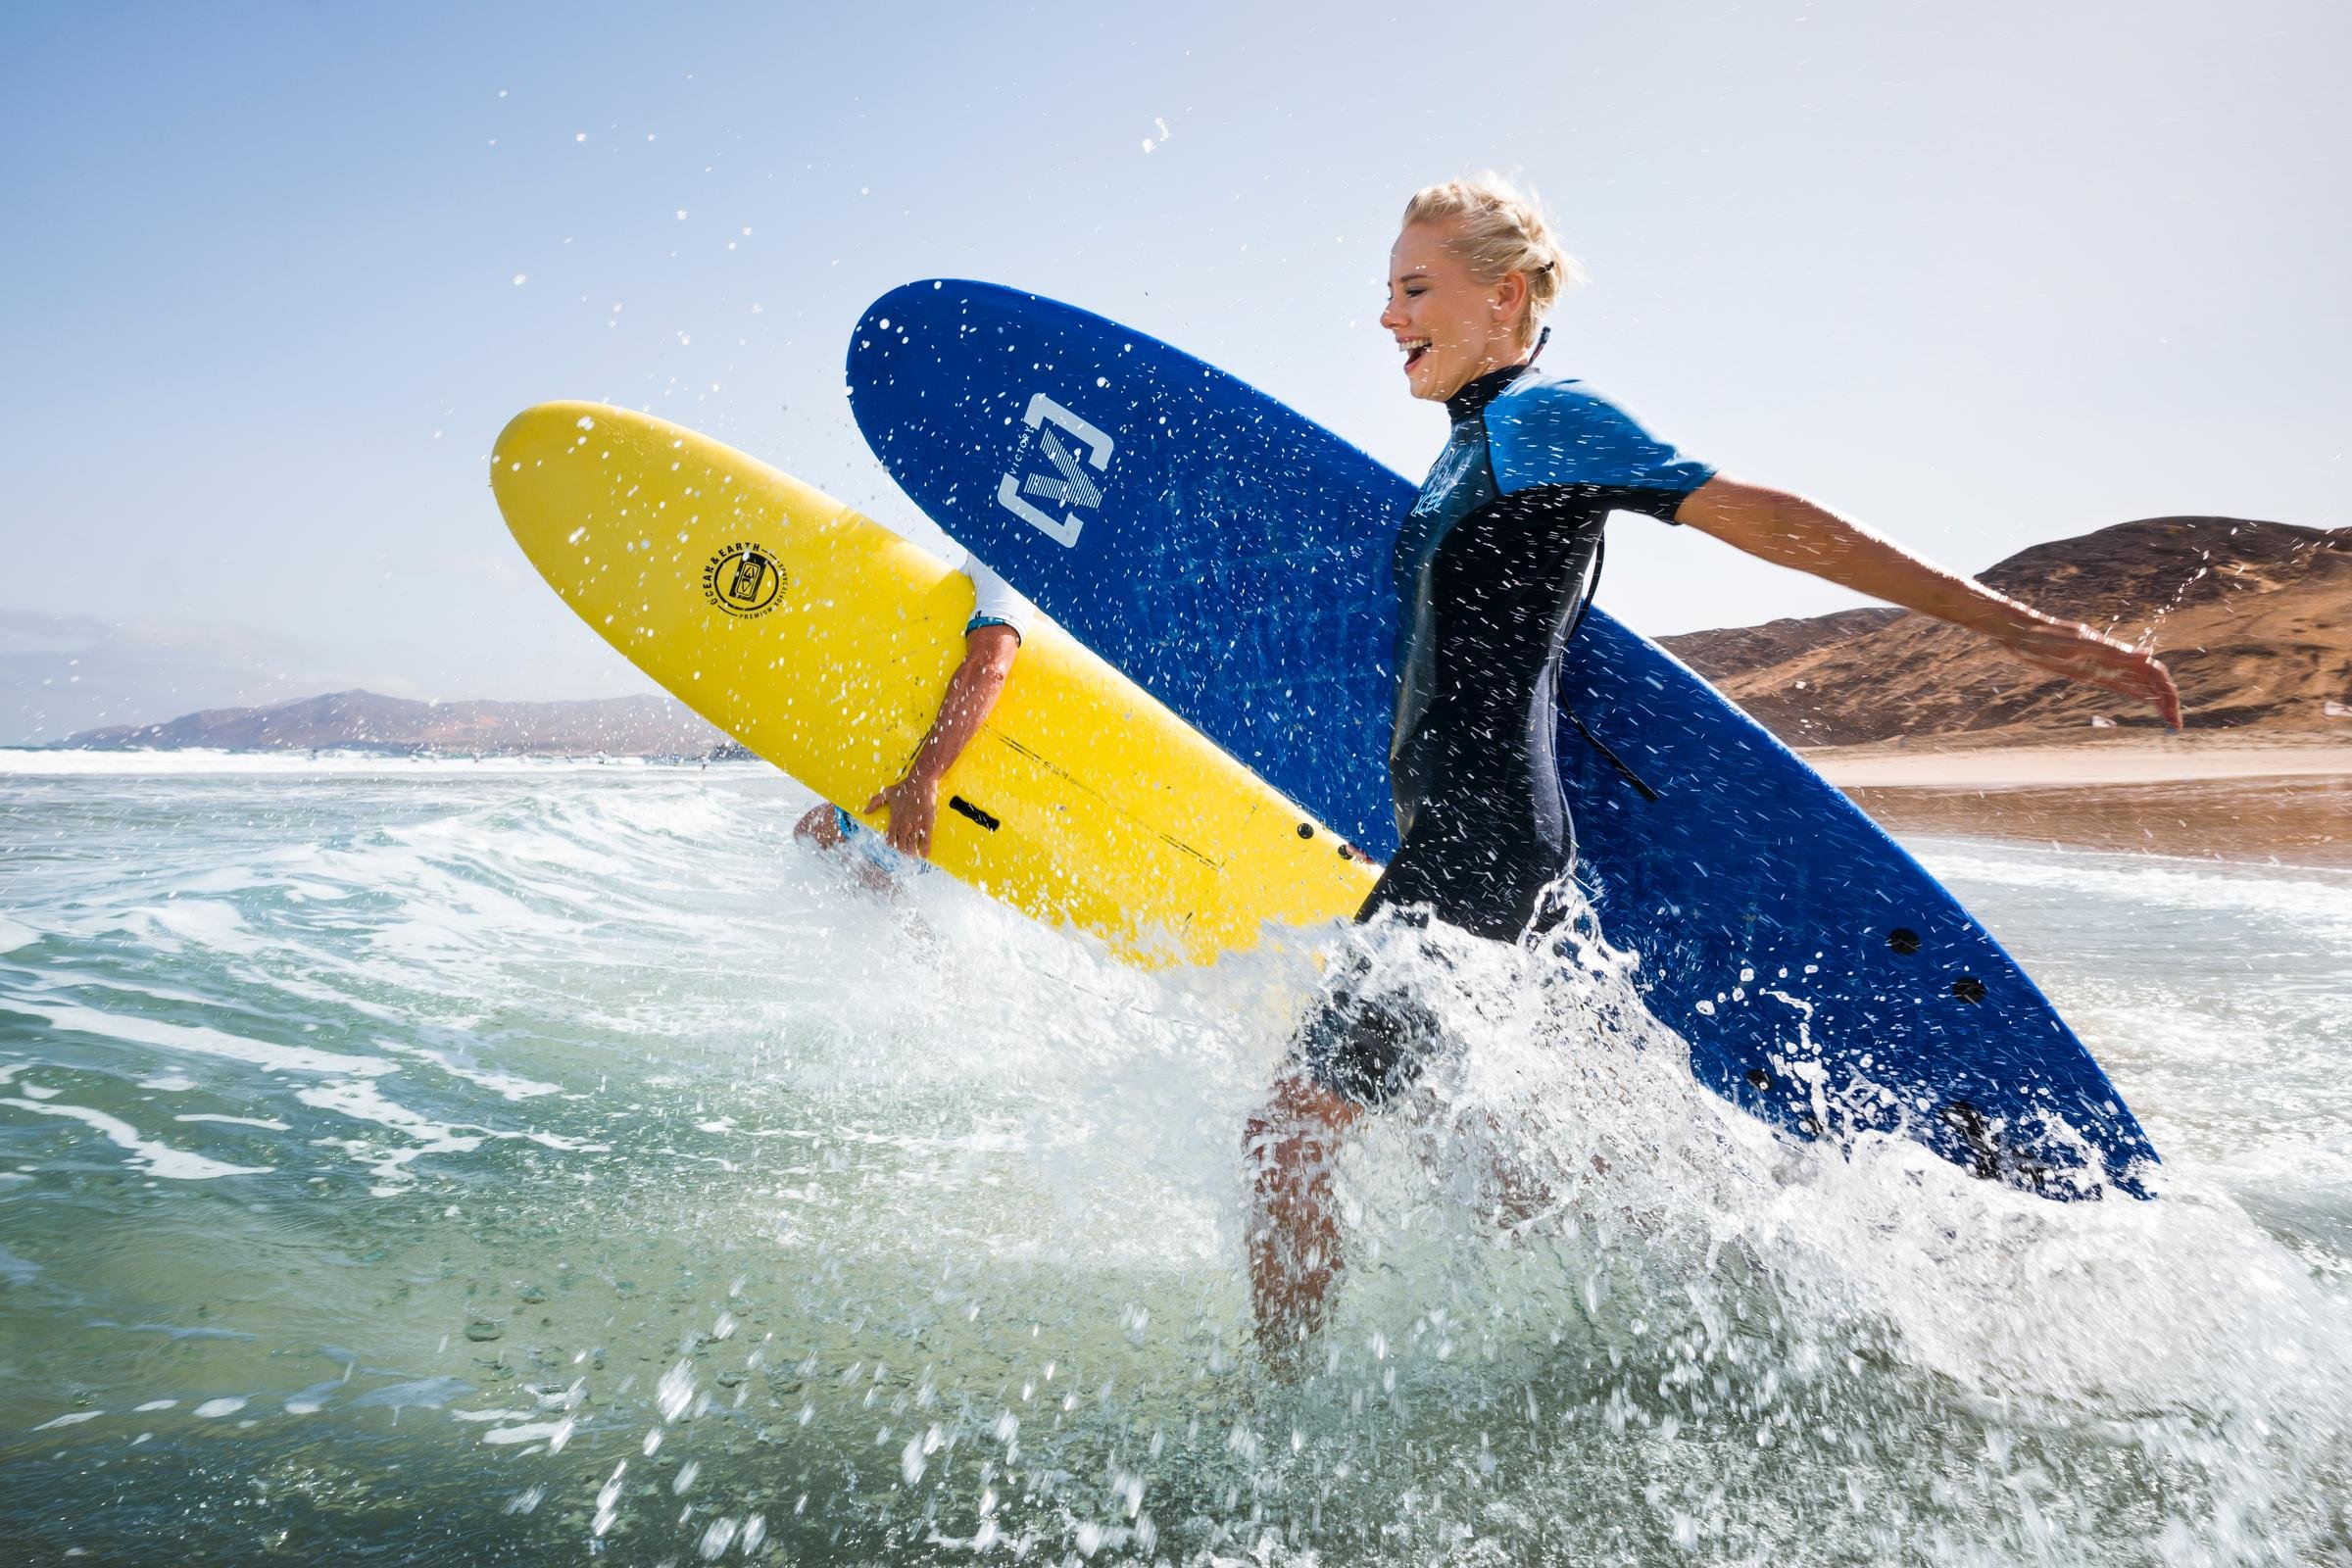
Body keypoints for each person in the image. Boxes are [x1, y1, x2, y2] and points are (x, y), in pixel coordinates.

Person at [1243, 173, 2183, 1358]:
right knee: (1485, 1154)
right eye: (1387, 294)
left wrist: (2007, 625)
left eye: (1415, 290)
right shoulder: (1469, 449)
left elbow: (1769, 517)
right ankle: (1789, 1309)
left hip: (1481, 845)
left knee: (1289, 1134)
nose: (1388, 319)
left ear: (1506, 296)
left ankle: (1281, 1426)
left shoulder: (1545, 419)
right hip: (1465, 838)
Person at [793, 556, 1037, 881]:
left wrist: (924, 777)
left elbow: (988, 668)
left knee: (815, 838)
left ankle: (907, 925)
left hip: (944, 787)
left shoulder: (1004, 559)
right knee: (813, 835)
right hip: (983, 792)